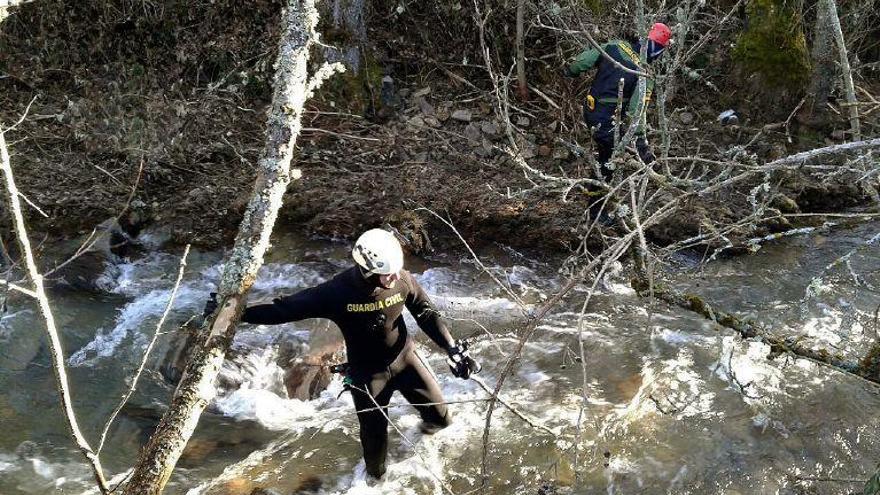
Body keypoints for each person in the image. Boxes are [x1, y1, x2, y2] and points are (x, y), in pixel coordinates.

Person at [204, 228, 480, 479]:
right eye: (387, 273)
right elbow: (283, 309)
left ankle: (420, 441)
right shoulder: (336, 292)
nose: (395, 277)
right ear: (367, 269)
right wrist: (232, 312)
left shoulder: (402, 280)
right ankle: (375, 483)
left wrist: (452, 348)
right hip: (367, 375)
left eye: (397, 270)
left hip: (405, 360)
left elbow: (426, 313)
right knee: (375, 459)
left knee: (441, 421)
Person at [564, 23, 672, 181]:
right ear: (657, 50)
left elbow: (581, 62)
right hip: (607, 122)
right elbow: (636, 111)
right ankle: (597, 202)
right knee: (608, 162)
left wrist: (569, 71)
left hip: (589, 110)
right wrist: (641, 141)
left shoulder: (615, 45)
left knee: (608, 154)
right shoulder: (645, 75)